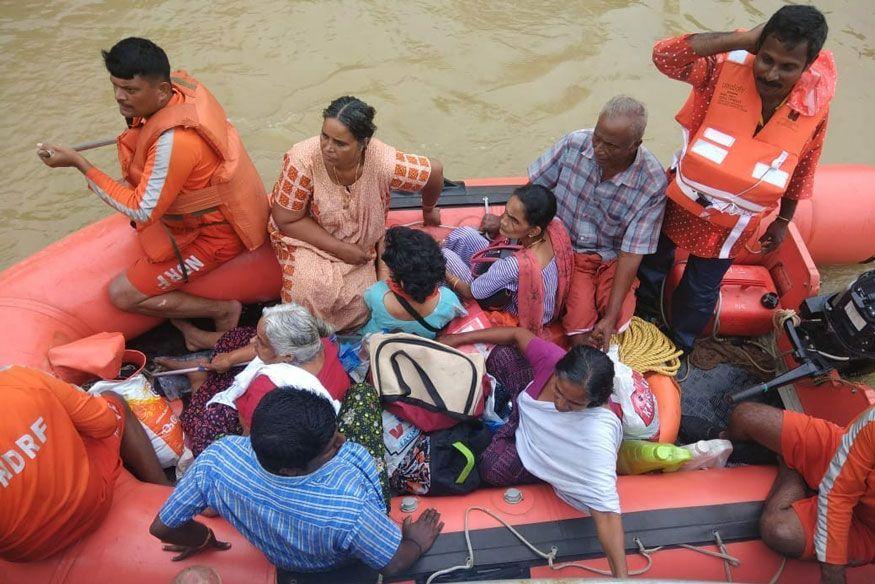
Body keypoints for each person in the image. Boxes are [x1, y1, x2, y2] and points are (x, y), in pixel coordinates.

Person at [637, 6, 835, 353]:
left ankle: (678, 346)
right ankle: (641, 320)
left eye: (788, 67)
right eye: (767, 59)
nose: (772, 74)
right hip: (681, 200)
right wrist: (743, 39)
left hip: (732, 223)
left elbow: (802, 165)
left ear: (807, 66)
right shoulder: (721, 69)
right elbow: (665, 56)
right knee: (652, 263)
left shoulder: (815, 105)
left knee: (701, 288)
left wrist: (783, 221)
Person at [35, 37, 268, 332]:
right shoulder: (178, 93)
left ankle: (222, 310)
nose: (119, 96)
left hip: (215, 236)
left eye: (130, 90)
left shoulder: (175, 142)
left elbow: (142, 210)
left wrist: (80, 164)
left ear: (161, 91)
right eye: (115, 86)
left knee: (121, 294)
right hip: (200, 211)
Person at [150, 388, 444, 582]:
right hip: (336, 560)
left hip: (288, 561)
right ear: (290, 469)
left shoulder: (217, 458)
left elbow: (162, 528)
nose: (342, 441)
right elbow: (393, 564)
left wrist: (203, 538)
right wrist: (415, 542)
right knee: (362, 393)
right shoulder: (348, 508)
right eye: (331, 446)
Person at [438, 327, 628, 578]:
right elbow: (517, 334)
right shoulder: (552, 360)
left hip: (535, 447)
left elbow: (606, 515)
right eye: (558, 392)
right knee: (502, 355)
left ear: (593, 403)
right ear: (558, 369)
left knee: (492, 466)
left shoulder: (596, 436)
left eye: (573, 404)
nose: (560, 404)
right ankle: (507, 411)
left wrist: (621, 578)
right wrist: (457, 338)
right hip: (524, 404)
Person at [269, 96, 445, 331]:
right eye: (324, 136)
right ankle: (311, 340)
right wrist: (341, 249)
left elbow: (434, 172)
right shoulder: (303, 159)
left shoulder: (382, 161)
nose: (328, 148)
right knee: (306, 290)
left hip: (362, 245)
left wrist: (429, 211)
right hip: (307, 239)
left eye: (340, 143)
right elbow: (285, 218)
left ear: (364, 143)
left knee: (365, 303)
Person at [528, 96, 667, 349]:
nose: (599, 149)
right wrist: (511, 221)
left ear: (635, 145)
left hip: (611, 257)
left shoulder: (652, 182)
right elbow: (536, 187)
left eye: (611, 146)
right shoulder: (574, 143)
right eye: (597, 138)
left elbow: (631, 253)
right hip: (567, 248)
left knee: (620, 320)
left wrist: (610, 317)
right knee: (579, 331)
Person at [0, 365, 171, 561]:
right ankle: (164, 489)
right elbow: (104, 423)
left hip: (26, 551)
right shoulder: (20, 379)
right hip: (89, 505)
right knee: (113, 401)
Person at [156, 303, 350, 457]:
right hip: (264, 387)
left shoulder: (267, 390)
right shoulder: (318, 343)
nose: (253, 342)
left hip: (254, 419)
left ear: (287, 357)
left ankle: (197, 379)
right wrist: (230, 358)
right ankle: (199, 339)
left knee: (199, 424)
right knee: (240, 336)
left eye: (261, 342)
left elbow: (249, 434)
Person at [728, 403, 875, 584]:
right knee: (745, 416)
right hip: (845, 456)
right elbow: (840, 495)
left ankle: (790, 469)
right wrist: (832, 572)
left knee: (780, 530)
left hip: (868, 528)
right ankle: (722, 443)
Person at [442, 184, 573, 336]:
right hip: (538, 301)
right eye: (505, 213)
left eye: (513, 220)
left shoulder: (513, 265)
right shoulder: (555, 226)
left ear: (534, 230)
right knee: (464, 234)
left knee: (445, 256)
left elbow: (470, 292)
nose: (503, 222)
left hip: (512, 311)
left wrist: (445, 273)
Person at [361, 226, 465, 339]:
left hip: (374, 344)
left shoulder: (376, 294)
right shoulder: (448, 301)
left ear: (400, 280)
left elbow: (381, 288)